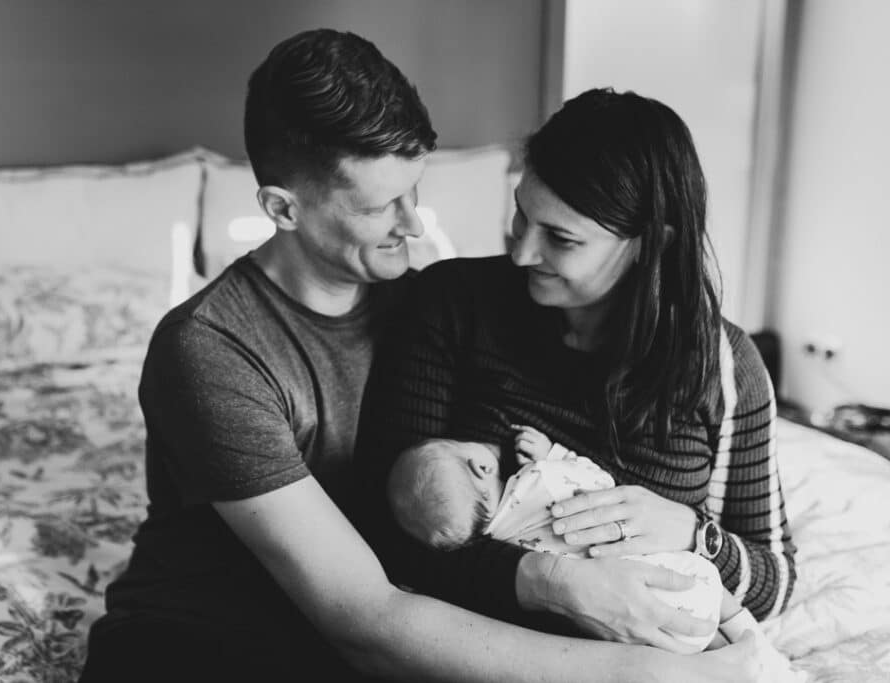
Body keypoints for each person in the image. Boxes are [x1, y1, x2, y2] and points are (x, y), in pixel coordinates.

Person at [80, 33, 765, 681]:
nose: (415, 225)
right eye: (383, 206)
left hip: (368, 638)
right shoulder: (211, 351)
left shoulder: (432, 303)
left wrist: (687, 535)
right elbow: (368, 617)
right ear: (283, 209)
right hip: (202, 640)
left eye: (416, 190)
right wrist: (649, 669)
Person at [355, 87, 797, 656]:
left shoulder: (724, 366)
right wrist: (554, 584)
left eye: (561, 239)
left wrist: (693, 533)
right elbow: (385, 530)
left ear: (649, 245)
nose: (521, 254)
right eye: (521, 215)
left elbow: (777, 578)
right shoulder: (452, 305)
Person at [387, 426, 724, 653]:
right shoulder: (539, 479)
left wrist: (693, 528)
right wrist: (554, 454)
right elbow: (599, 483)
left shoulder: (503, 543)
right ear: (480, 467)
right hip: (682, 587)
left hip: (642, 643)